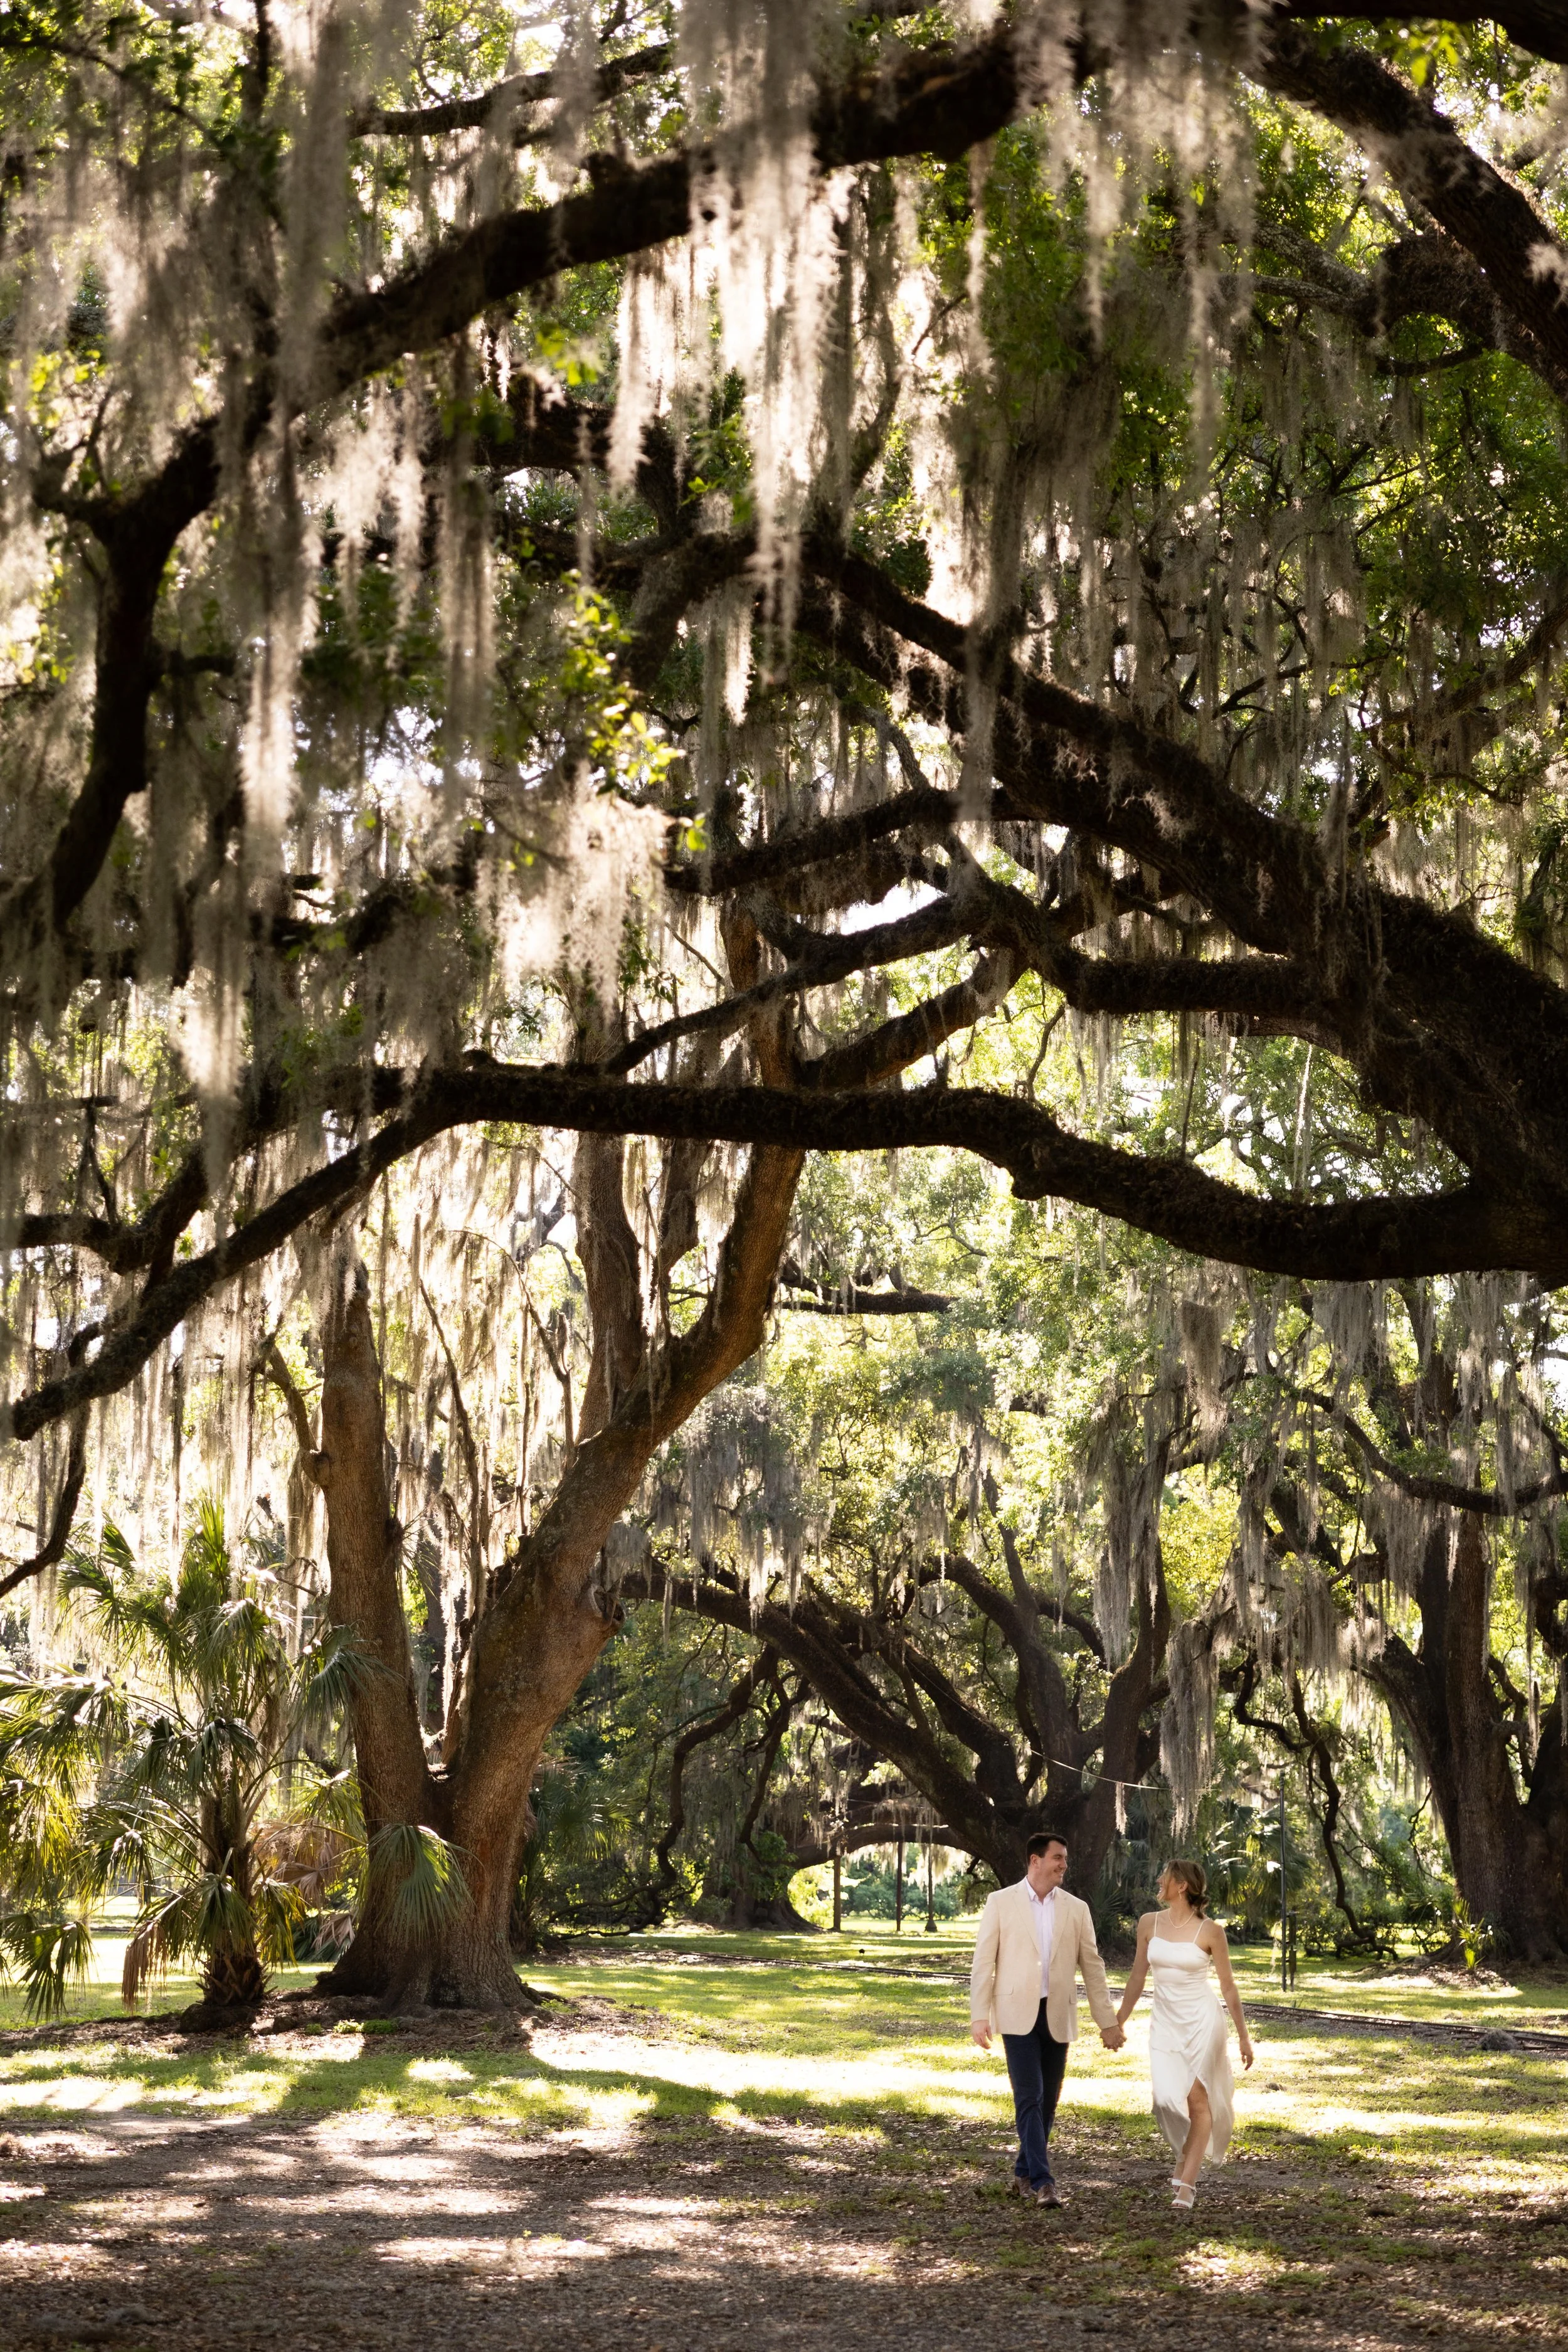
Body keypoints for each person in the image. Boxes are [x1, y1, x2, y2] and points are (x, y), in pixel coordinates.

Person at [969, 1830, 1125, 2209]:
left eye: (1065, 1859)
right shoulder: (1001, 1902)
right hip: (1015, 2014)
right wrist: (979, 2016)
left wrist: (1107, 2021)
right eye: (1058, 1858)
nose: (1064, 1865)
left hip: (1058, 2014)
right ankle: (1043, 2182)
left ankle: (1023, 2174)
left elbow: (1093, 1966)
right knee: (1029, 2096)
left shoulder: (1077, 1908)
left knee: (1049, 2101)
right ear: (1035, 1861)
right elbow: (983, 1961)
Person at [1115, 1858, 1254, 2210]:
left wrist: (1243, 2036)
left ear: (1182, 1886)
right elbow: (1136, 1978)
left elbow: (1229, 1987)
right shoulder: (1149, 1923)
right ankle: (1184, 2156)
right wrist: (1119, 2020)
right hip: (1164, 2022)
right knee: (1164, 2100)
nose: (1159, 1880)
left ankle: (1186, 2187)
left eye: (1166, 1876)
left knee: (1197, 2099)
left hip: (1202, 2021)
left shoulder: (1211, 1932)